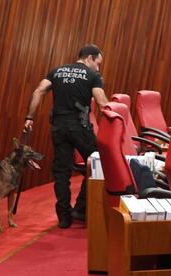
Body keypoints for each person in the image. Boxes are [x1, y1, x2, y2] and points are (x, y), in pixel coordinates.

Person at [24, 44, 108, 228]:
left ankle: (63, 216)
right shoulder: (93, 76)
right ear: (89, 58)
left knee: (61, 171)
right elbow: (102, 104)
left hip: (58, 127)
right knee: (97, 161)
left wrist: (29, 117)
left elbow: (38, 90)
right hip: (79, 127)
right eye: (98, 63)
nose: (98, 67)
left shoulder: (57, 71)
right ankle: (80, 208)